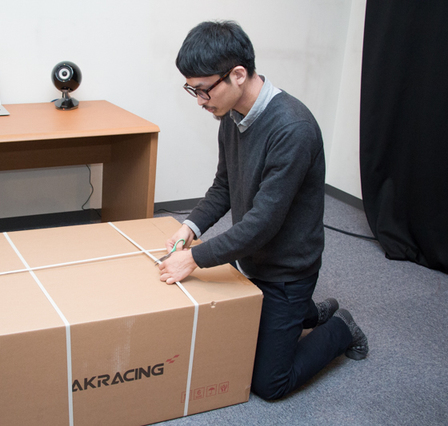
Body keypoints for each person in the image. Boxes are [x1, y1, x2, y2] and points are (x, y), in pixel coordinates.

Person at [157, 20, 368, 401]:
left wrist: (194, 259)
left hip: (287, 271)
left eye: (203, 90)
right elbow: (224, 186)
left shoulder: (293, 128)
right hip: (251, 261)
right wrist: (190, 227)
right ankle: (307, 314)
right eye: (193, 90)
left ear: (238, 75)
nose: (200, 101)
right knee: (231, 345)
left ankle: (341, 327)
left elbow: (262, 223)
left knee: (269, 384)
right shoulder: (231, 115)